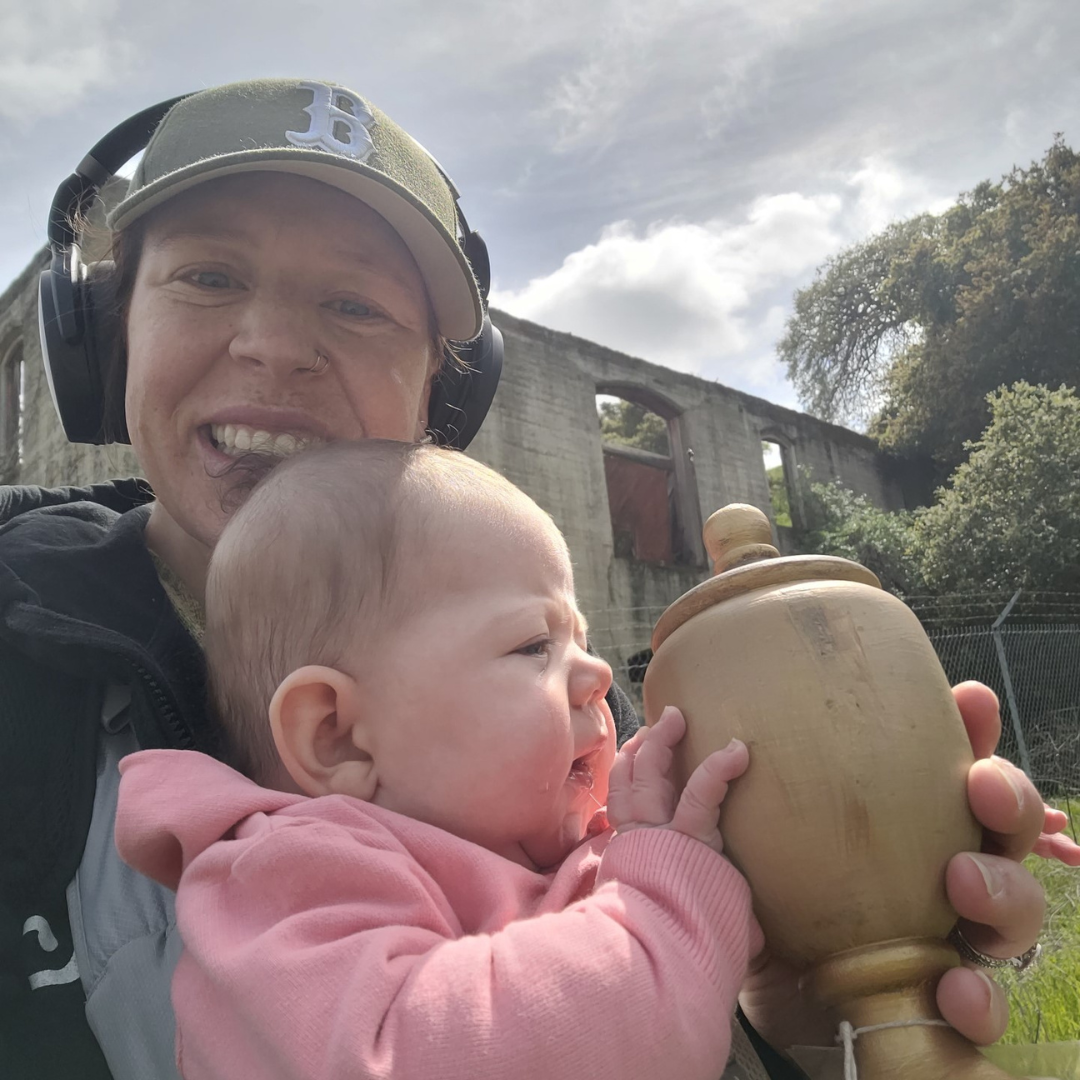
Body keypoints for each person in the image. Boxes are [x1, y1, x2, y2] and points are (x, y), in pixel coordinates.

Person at [0, 77, 1070, 1080]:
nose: (275, 345)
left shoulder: (539, 737)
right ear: (102, 332)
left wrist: (787, 999)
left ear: (439, 398)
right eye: (210, 276)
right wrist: (674, 908)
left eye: (357, 306)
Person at [115, 439, 761, 1080]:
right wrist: (668, 913)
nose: (597, 674)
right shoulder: (283, 883)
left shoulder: (517, 844)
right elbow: (431, 1054)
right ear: (337, 735)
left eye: (581, 638)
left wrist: (643, 848)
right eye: (536, 645)